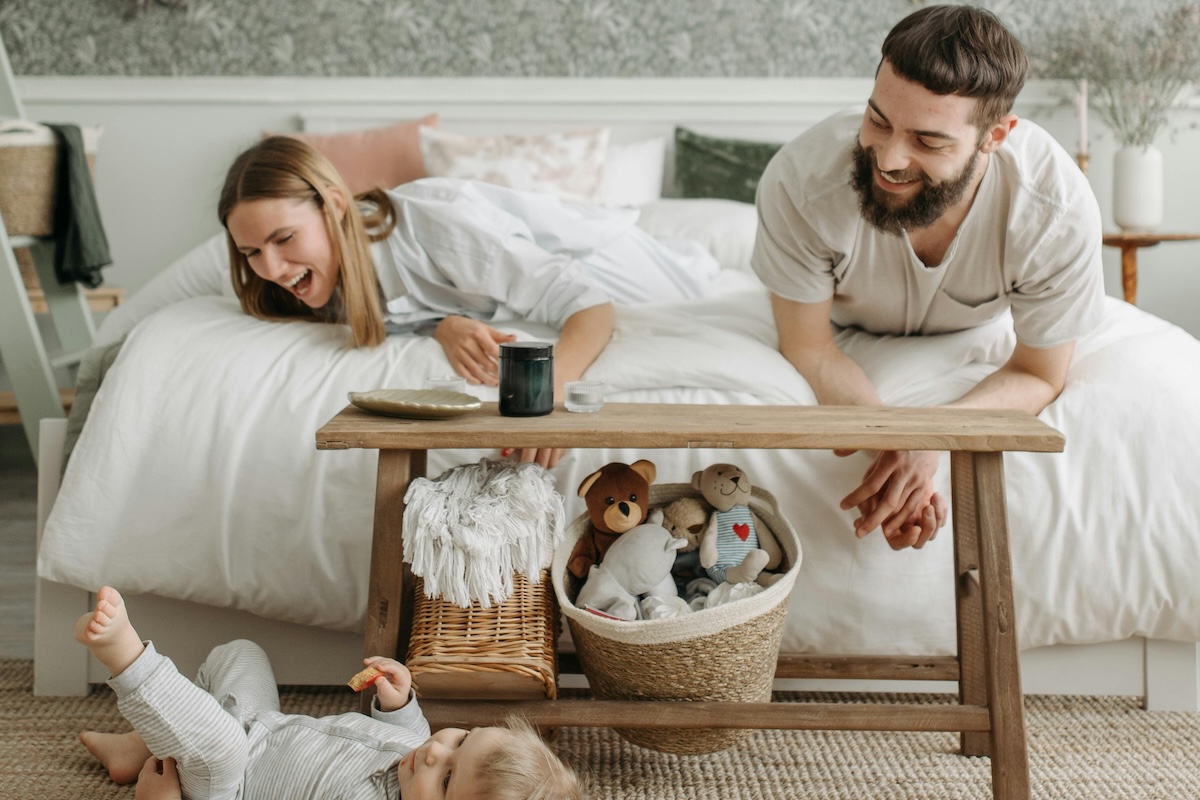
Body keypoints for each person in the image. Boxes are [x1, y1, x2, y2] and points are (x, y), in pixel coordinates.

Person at [752, 4, 1105, 551]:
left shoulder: (1053, 209)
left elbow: (1039, 372)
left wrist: (932, 441)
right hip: (843, 324)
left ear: (996, 135)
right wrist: (901, 441)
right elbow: (809, 345)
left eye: (929, 141)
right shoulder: (801, 180)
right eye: (878, 120)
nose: (889, 158)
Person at [219, 135, 718, 467]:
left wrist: (551, 401)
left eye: (284, 238)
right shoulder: (308, 277)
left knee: (701, 268)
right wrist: (442, 324)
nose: (271, 269)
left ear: (336, 205)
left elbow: (590, 306)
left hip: (634, 272)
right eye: (251, 252)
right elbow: (401, 306)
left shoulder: (440, 229)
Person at [75, 586, 583, 800]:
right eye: (460, 739)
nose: (434, 750)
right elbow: (414, 739)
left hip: (230, 781)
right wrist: (398, 703)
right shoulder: (419, 759)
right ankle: (143, 745)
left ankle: (126, 655)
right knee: (242, 653)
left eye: (447, 778)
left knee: (220, 746)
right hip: (262, 728)